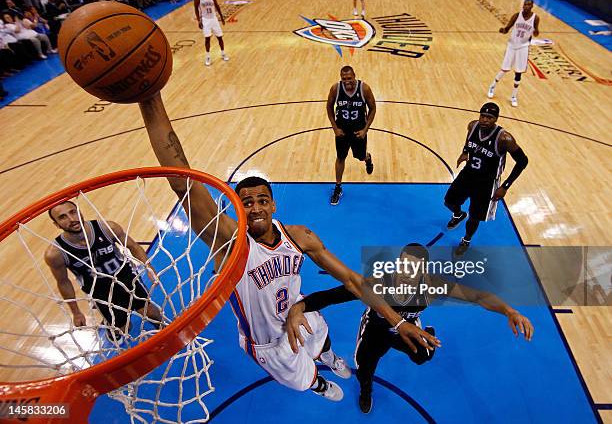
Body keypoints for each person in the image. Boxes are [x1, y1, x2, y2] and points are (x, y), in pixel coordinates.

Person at [137, 93, 440, 401]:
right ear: (237, 210)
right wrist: (149, 99)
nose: (255, 208)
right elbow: (182, 183)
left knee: (321, 338)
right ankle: (319, 385)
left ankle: (328, 358)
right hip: (268, 342)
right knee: (301, 380)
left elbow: (353, 281)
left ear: (273, 206)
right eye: (246, 203)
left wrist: (398, 321)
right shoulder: (230, 242)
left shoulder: (300, 237)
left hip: (300, 313)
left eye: (262, 201)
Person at [286, 243, 534, 413]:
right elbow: (332, 296)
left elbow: (478, 296)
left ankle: (426, 334)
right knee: (365, 368)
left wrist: (509, 310)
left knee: (423, 355)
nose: (406, 272)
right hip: (376, 329)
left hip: (407, 328)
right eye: (403, 265)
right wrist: (301, 306)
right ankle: (365, 391)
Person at [44, 201, 163, 343]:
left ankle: (164, 329)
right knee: (125, 328)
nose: (71, 219)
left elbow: (134, 246)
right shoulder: (55, 254)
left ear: (79, 211)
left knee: (152, 313)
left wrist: (149, 269)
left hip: (126, 278)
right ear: (56, 224)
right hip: (100, 292)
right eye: (63, 217)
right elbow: (63, 282)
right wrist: (75, 312)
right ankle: (111, 326)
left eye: (73, 212)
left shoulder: (107, 228)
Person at [444, 102, 528, 255]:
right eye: (483, 116)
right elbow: (469, 140)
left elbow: (523, 161)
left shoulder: (504, 139)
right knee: (448, 201)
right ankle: (458, 214)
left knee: (475, 217)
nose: (485, 120)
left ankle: (466, 240)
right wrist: (465, 152)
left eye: (489, 117)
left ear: (496, 119)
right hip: (468, 173)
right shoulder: (473, 126)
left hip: (486, 183)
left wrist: (505, 186)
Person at [327, 65, 375, 205]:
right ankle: (338, 187)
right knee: (340, 157)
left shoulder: (364, 89)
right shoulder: (335, 89)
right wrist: (335, 128)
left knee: (360, 156)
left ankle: (367, 158)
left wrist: (365, 129)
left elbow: (373, 108)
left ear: (354, 76)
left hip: (358, 131)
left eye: (349, 78)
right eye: (344, 79)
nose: (347, 81)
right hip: (341, 131)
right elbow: (329, 107)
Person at [487, 0, 540, 107]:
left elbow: (536, 34)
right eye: (525, 4)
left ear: (532, 6)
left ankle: (513, 96)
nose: (526, 6)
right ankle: (492, 86)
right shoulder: (516, 16)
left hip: (523, 47)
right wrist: (503, 30)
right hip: (512, 45)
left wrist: (535, 31)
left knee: (518, 72)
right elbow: (507, 29)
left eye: (528, 5)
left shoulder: (535, 18)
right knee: (505, 69)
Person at [193, 0, 227, 67]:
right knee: (207, 39)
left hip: (214, 18)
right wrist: (199, 21)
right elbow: (196, 10)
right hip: (205, 20)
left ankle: (223, 53)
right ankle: (208, 57)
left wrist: (222, 17)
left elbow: (217, 6)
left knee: (220, 37)